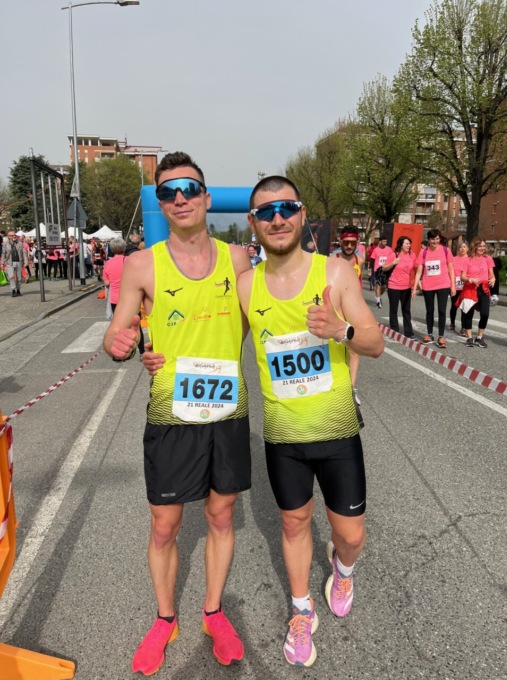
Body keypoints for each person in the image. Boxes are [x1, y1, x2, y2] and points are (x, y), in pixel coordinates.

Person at [103, 151, 252, 676]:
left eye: (189, 188)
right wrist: (122, 344)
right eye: (168, 191)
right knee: (165, 525)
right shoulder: (142, 264)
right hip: (171, 411)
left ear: (206, 198)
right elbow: (116, 332)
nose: (180, 198)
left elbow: (264, 318)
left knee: (221, 516)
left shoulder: (238, 259)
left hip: (227, 408)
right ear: (160, 203)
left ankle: (212, 612)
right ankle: (166, 618)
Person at [237, 176, 383, 667]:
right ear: (253, 222)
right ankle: (301, 609)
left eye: (286, 208)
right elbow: (215, 345)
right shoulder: (246, 286)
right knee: (294, 522)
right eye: (266, 212)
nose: (277, 218)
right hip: (284, 435)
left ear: (302, 215)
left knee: (352, 535)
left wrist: (340, 329)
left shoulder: (335, 272)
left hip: (337, 430)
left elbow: (375, 343)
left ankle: (343, 570)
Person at [330, 225, 365, 405]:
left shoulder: (360, 260)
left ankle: (351, 389)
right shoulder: (332, 260)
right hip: (337, 309)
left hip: (354, 309)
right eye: (346, 242)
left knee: (354, 349)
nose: (349, 246)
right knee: (334, 349)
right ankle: (334, 387)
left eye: (352, 242)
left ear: (357, 241)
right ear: (340, 241)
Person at [412, 229, 455, 349]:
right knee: (429, 310)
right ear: (428, 240)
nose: (435, 241)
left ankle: (441, 336)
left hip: (443, 284)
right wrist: (414, 288)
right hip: (428, 285)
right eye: (432, 239)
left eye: (437, 239)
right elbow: (419, 271)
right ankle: (430, 335)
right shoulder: (424, 252)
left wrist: (453, 285)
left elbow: (451, 268)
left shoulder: (446, 250)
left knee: (442, 310)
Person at [456, 238, 495, 348]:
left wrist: (493, 279)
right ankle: (469, 337)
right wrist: (470, 279)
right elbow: (462, 277)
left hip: (484, 288)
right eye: (480, 246)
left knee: (485, 314)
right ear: (475, 247)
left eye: (484, 246)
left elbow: (492, 274)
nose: (482, 248)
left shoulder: (488, 259)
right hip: (470, 288)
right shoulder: (467, 260)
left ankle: (479, 337)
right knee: (469, 314)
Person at [383, 236, 417, 339]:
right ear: (401, 244)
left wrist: (418, 282)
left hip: (406, 287)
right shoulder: (394, 255)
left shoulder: (412, 255)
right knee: (394, 309)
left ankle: (409, 333)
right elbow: (384, 268)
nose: (408, 245)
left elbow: (416, 268)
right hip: (394, 286)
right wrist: (393, 263)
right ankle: (395, 331)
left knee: (406, 310)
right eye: (406, 243)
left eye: (409, 244)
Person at [449, 240, 468, 334]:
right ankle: (452, 323)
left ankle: (463, 327)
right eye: (460, 247)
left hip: (466, 286)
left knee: (464, 307)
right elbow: (449, 271)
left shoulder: (470, 259)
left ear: (467, 248)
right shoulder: (453, 259)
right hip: (455, 286)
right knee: (454, 306)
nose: (462, 249)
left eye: (464, 247)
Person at [2, 229, 28, 296]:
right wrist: (2, 263)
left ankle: (18, 290)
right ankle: (13, 290)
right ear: (8, 236)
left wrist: (26, 261)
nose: (14, 236)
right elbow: (3, 254)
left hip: (19, 261)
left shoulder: (20, 243)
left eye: (14, 235)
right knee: (11, 277)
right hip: (9, 262)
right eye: (12, 235)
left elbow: (24, 253)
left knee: (19, 277)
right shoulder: (5, 244)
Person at [370, 236, 392, 308]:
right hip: (378, 269)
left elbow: (392, 258)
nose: (385, 243)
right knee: (378, 285)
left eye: (386, 241)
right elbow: (372, 260)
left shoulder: (389, 249)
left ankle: (378, 296)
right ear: (380, 242)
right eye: (384, 241)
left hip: (386, 269)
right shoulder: (376, 250)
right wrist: (370, 270)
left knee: (384, 286)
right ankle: (378, 302)